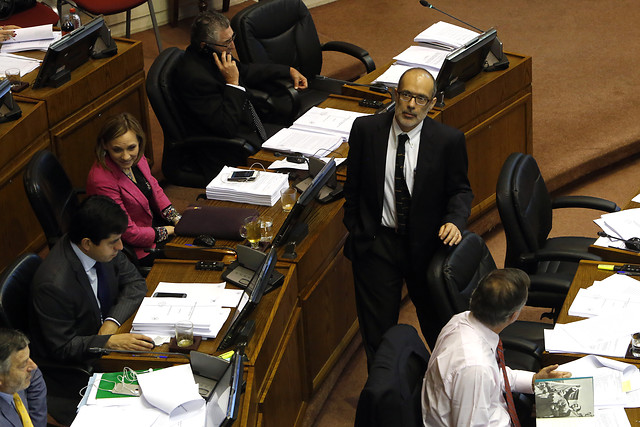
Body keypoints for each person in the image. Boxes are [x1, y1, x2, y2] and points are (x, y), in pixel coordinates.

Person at [343, 67, 474, 366]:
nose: (411, 105)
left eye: (420, 98)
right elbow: (352, 187)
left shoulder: (448, 141)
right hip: (377, 245)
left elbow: (460, 191)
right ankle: (388, 399)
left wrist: (455, 220)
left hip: (425, 247)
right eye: (406, 95)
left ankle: (449, 383)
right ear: (394, 95)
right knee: (379, 336)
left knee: (439, 326)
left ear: (432, 104)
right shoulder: (366, 130)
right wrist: (357, 226)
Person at [422, 268, 571, 426]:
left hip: (494, 409)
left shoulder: (461, 320)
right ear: (514, 316)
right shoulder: (475, 368)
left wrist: (533, 380)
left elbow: (494, 376)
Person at [172, 11, 308, 180]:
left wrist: (288, 70)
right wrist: (232, 83)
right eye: (226, 42)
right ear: (203, 46)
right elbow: (225, 128)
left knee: (302, 151)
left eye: (232, 38)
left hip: (249, 127)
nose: (233, 47)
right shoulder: (195, 77)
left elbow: (246, 71)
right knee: (293, 173)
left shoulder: (216, 56)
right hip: (228, 148)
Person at [30, 195, 154, 364]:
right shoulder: (53, 285)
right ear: (87, 243)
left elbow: (136, 282)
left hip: (115, 329)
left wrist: (112, 322)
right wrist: (107, 342)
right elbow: (63, 347)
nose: (120, 247)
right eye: (114, 242)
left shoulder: (102, 246)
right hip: (88, 359)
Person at [86, 112, 181, 266]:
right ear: (105, 145)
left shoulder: (138, 157)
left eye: (131, 147)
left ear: (139, 142)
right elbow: (129, 233)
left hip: (153, 223)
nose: (126, 156)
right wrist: (170, 230)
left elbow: (154, 188)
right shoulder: (101, 180)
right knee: (196, 257)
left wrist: (176, 218)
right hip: (136, 247)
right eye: (117, 150)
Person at [0, 328, 46, 427]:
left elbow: (35, 376)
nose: (34, 366)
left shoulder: (23, 374)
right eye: (23, 365)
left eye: (29, 358)